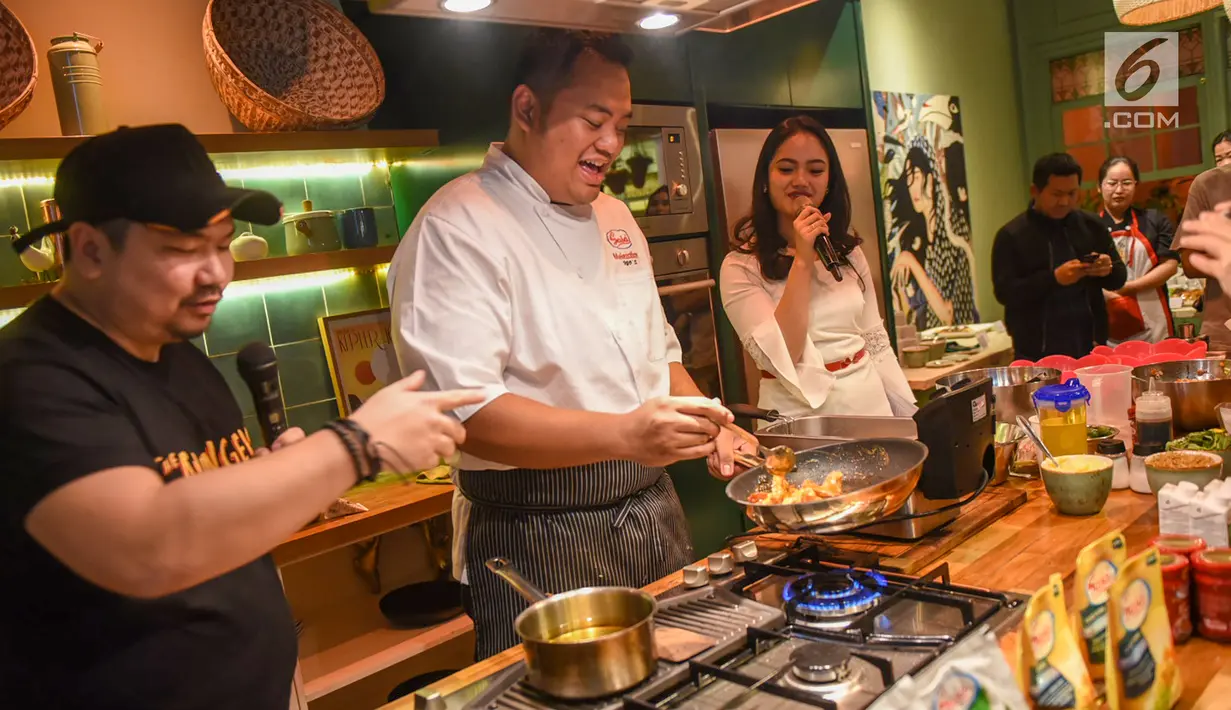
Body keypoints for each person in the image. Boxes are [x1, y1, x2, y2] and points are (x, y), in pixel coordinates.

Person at [0, 124, 481, 710]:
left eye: (223, 244)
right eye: (182, 250)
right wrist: (354, 446)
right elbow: (145, 545)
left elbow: (195, 502)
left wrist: (283, 478)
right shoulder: (29, 377)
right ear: (92, 249)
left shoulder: (178, 355)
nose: (217, 274)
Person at [387, 29, 755, 661]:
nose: (611, 144)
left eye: (621, 124)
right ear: (527, 109)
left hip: (651, 512)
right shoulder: (456, 227)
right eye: (593, 121)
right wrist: (625, 436)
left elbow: (657, 353)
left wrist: (710, 420)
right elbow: (467, 416)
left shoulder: (616, 216)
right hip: (537, 533)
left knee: (686, 688)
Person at [719, 116, 917, 419]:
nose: (801, 180)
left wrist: (909, 416)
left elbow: (876, 343)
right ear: (764, 179)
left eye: (815, 170)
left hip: (870, 407)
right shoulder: (740, 267)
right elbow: (784, 355)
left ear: (829, 182)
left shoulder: (848, 252)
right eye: (786, 169)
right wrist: (802, 258)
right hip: (799, 420)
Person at [991, 153, 1127, 360]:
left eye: (1072, 193)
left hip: (1091, 345)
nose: (1064, 201)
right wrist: (1054, 279)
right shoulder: (1012, 235)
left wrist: (1107, 269)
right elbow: (1005, 293)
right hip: (1036, 352)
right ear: (1035, 191)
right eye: (1056, 194)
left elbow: (1119, 277)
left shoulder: (1091, 226)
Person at [886, 139, 978, 329]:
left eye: (917, 176)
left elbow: (948, 315)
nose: (913, 188)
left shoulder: (955, 232)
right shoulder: (911, 238)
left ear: (931, 177)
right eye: (909, 178)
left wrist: (910, 260)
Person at [1095, 156, 1178, 343]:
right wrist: (1109, 293)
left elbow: (1170, 265)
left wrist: (1128, 288)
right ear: (1099, 187)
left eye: (1126, 183)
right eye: (1112, 183)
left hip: (1155, 322)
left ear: (1135, 185)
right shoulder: (1089, 227)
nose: (1119, 190)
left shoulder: (1155, 220)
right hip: (1108, 323)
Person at [1176, 132, 1231, 352]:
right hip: (1224, 328)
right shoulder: (1206, 186)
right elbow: (1189, 263)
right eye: (1220, 159)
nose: (1226, 164)